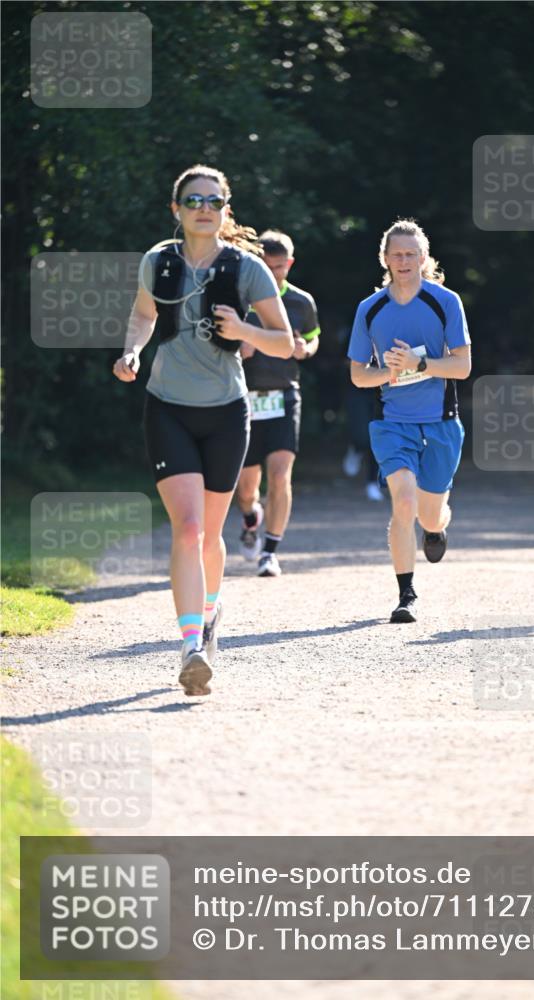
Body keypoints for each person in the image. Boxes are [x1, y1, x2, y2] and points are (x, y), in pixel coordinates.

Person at [112, 165, 293, 696]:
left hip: (225, 412)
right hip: (167, 406)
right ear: (177, 209)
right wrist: (131, 351)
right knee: (187, 529)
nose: (203, 208)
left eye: (213, 201)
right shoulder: (158, 262)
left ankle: (210, 616)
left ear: (225, 209)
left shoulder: (247, 268)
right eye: (193, 200)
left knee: (211, 535)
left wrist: (242, 330)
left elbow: (284, 341)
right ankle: (190, 647)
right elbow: (143, 316)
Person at [347, 219, 472, 623]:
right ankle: (406, 595)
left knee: (429, 514)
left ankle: (436, 529)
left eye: (411, 254)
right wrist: (391, 372)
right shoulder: (370, 309)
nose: (403, 261)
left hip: (440, 422)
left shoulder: (445, 301)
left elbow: (463, 367)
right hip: (392, 422)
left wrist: (420, 364)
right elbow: (358, 375)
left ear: (423, 257)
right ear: (385, 259)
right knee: (403, 501)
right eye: (396, 254)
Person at [236, 231, 321, 577]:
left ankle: (270, 551)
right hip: (244, 398)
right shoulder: (241, 299)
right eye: (267, 268)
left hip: (285, 395)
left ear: (290, 263)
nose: (273, 275)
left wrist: (305, 350)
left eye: (280, 267)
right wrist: (240, 350)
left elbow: (314, 340)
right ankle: (250, 518)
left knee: (281, 475)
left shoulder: (301, 302)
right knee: (245, 490)